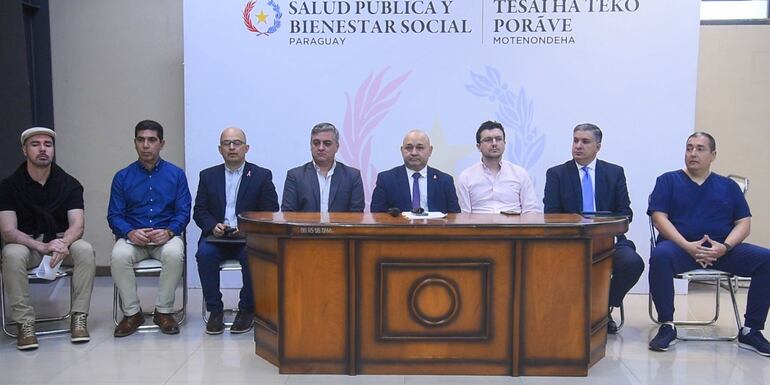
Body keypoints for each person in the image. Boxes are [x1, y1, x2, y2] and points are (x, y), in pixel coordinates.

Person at [648, 132, 770, 356]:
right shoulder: (668, 180)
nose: (693, 153)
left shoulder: (728, 186)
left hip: (721, 250)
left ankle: (751, 330)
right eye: (689, 148)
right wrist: (687, 245)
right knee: (660, 256)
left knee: (766, 259)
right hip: (680, 248)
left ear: (713, 155)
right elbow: (659, 218)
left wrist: (725, 247)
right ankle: (667, 325)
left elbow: (744, 222)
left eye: (700, 149)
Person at [0, 127, 96, 350]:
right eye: (36, 145)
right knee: (11, 253)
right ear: (25, 150)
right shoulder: (8, 187)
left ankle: (79, 317)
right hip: (28, 244)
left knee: (84, 249)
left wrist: (63, 243)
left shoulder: (69, 183)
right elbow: (8, 231)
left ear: (53, 150)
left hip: (61, 244)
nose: (42, 149)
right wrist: (40, 245)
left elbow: (78, 224)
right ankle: (25, 324)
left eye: (48, 144)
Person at [543, 123, 644, 334]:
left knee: (633, 263)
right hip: (571, 244)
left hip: (609, 242)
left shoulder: (614, 173)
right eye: (575, 140)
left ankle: (601, 309)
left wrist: (604, 227)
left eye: (585, 142)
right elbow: (551, 215)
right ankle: (575, 312)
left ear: (598, 146)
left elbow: (626, 213)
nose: (578, 146)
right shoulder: (557, 174)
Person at [108, 120, 191, 337]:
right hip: (134, 238)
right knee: (118, 256)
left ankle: (163, 312)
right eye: (141, 140)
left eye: (152, 140)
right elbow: (114, 215)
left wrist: (170, 231)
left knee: (174, 253)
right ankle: (132, 313)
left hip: (165, 236)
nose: (146, 145)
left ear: (161, 143)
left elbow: (184, 211)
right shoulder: (122, 177)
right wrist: (130, 232)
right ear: (134, 143)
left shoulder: (176, 175)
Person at [193, 127, 279, 334]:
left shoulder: (261, 175)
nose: (232, 147)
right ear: (220, 149)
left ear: (246, 148)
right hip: (217, 236)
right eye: (227, 143)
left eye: (237, 143)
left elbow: (271, 211)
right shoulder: (207, 176)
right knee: (204, 255)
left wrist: (246, 228)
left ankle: (247, 310)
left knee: (253, 257)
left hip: (246, 238)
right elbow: (200, 211)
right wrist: (213, 225)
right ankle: (215, 311)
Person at [457, 121, 541, 214]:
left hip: (514, 227)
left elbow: (531, 210)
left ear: (504, 143)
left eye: (498, 139)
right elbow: (464, 215)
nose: (494, 143)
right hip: (479, 227)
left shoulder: (520, 173)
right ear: (478, 146)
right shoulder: (466, 177)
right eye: (488, 140)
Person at [370, 130, 460, 214]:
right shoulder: (386, 179)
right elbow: (377, 216)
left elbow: (454, 216)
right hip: (399, 230)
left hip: (435, 230)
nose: (413, 153)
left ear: (430, 151)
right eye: (408, 148)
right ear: (402, 150)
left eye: (419, 148)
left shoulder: (445, 181)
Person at [281, 123, 364, 212]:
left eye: (327, 143)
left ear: (337, 147)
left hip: (340, 226)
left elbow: (356, 215)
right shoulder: (295, 176)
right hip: (305, 226)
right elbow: (288, 214)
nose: (321, 148)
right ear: (311, 145)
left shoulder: (352, 176)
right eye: (316, 143)